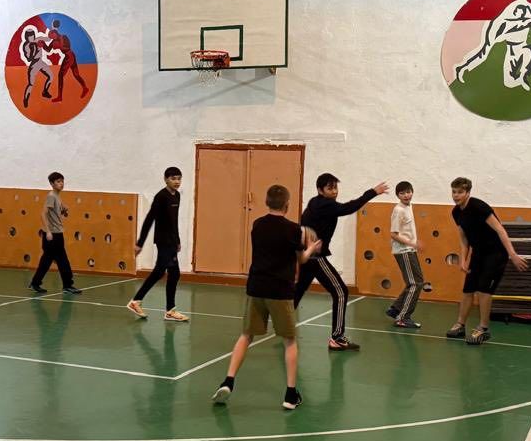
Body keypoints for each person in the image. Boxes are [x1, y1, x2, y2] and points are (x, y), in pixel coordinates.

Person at [213, 184, 321, 410]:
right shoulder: (294, 230)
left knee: (246, 335)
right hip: (280, 290)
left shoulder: (257, 224)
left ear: (266, 202)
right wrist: (311, 248)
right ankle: (290, 394)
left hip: (256, 287)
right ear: (287, 205)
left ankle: (228, 381)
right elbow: (301, 260)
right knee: (289, 341)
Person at [295, 173, 388, 351]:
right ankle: (337, 338)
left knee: (298, 290)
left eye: (336, 187)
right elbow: (349, 207)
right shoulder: (326, 204)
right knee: (341, 292)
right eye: (330, 188)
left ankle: (281, 325)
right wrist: (372, 192)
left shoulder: (314, 202)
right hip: (315, 257)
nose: (334, 191)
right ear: (320, 190)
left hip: (308, 256)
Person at [445, 177, 528, 344]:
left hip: (496, 253)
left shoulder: (479, 207)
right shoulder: (456, 212)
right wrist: (463, 259)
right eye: (454, 192)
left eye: (460, 192)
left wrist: (512, 254)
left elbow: (500, 230)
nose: (456, 195)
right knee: (468, 289)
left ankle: (483, 329)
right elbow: (464, 239)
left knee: (483, 290)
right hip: (478, 253)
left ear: (468, 192)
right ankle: (460, 325)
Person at [127, 166, 188, 321]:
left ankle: (169, 310)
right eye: (173, 179)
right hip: (163, 241)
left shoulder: (177, 196)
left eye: (179, 178)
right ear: (166, 179)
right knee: (161, 272)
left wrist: (178, 240)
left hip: (171, 241)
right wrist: (140, 243)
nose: (177, 182)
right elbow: (149, 219)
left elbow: (174, 221)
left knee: (173, 273)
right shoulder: (161, 197)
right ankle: (136, 301)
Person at [29, 171, 81, 295]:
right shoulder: (51, 196)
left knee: (47, 261)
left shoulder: (57, 196)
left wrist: (64, 211)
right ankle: (67, 285)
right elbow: (43, 214)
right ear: (52, 184)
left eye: (62, 181)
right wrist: (48, 232)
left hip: (57, 233)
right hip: (52, 235)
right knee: (62, 261)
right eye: (58, 181)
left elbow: (57, 214)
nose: (61, 183)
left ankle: (35, 283)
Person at [385, 181, 423, 329]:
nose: (406, 195)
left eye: (408, 192)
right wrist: (412, 244)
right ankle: (403, 317)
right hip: (404, 251)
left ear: (412, 192)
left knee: (416, 281)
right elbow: (394, 234)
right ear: (398, 195)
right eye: (402, 193)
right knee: (415, 283)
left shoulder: (409, 206)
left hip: (409, 250)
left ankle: (395, 309)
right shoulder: (398, 210)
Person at [50, 19, 89, 104]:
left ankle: (60, 97)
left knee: (61, 75)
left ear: (53, 26)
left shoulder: (62, 37)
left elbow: (67, 46)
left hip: (69, 56)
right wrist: (42, 44)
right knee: (76, 74)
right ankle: (85, 88)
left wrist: (60, 46)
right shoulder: (56, 39)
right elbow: (48, 49)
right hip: (71, 55)